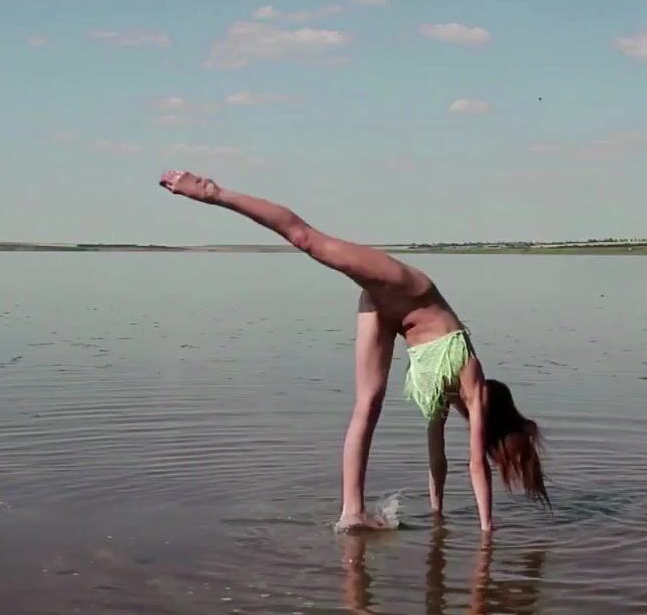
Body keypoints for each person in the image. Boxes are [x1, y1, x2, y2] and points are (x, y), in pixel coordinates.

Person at [159, 170, 549, 532]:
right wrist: (487, 531)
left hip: (390, 317)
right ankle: (213, 192)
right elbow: (475, 463)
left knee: (368, 402)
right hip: (406, 289)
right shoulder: (472, 377)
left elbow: (439, 459)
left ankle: (352, 513)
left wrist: (438, 518)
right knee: (306, 239)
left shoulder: (447, 395)